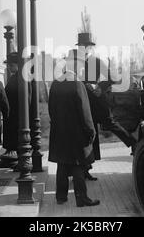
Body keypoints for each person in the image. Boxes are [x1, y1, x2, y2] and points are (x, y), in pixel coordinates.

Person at [76, 33, 136, 181]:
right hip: (82, 102)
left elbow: (110, 78)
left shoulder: (97, 61)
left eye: (87, 46)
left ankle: (133, 143)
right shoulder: (74, 63)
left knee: (110, 122)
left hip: (97, 100)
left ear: (90, 48)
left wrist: (99, 86)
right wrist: (84, 85)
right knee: (88, 134)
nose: (85, 49)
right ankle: (85, 168)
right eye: (82, 46)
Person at [48, 49, 100, 207]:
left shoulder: (56, 83)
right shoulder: (77, 84)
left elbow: (51, 109)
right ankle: (82, 198)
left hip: (59, 132)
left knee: (62, 164)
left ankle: (61, 197)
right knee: (78, 164)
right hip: (76, 133)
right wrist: (91, 130)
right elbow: (85, 112)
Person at [0, 52, 32, 169]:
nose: (8, 67)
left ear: (16, 65)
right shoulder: (18, 77)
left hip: (18, 116)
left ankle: (23, 162)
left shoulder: (21, 78)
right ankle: (21, 161)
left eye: (10, 65)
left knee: (19, 141)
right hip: (16, 116)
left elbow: (26, 100)